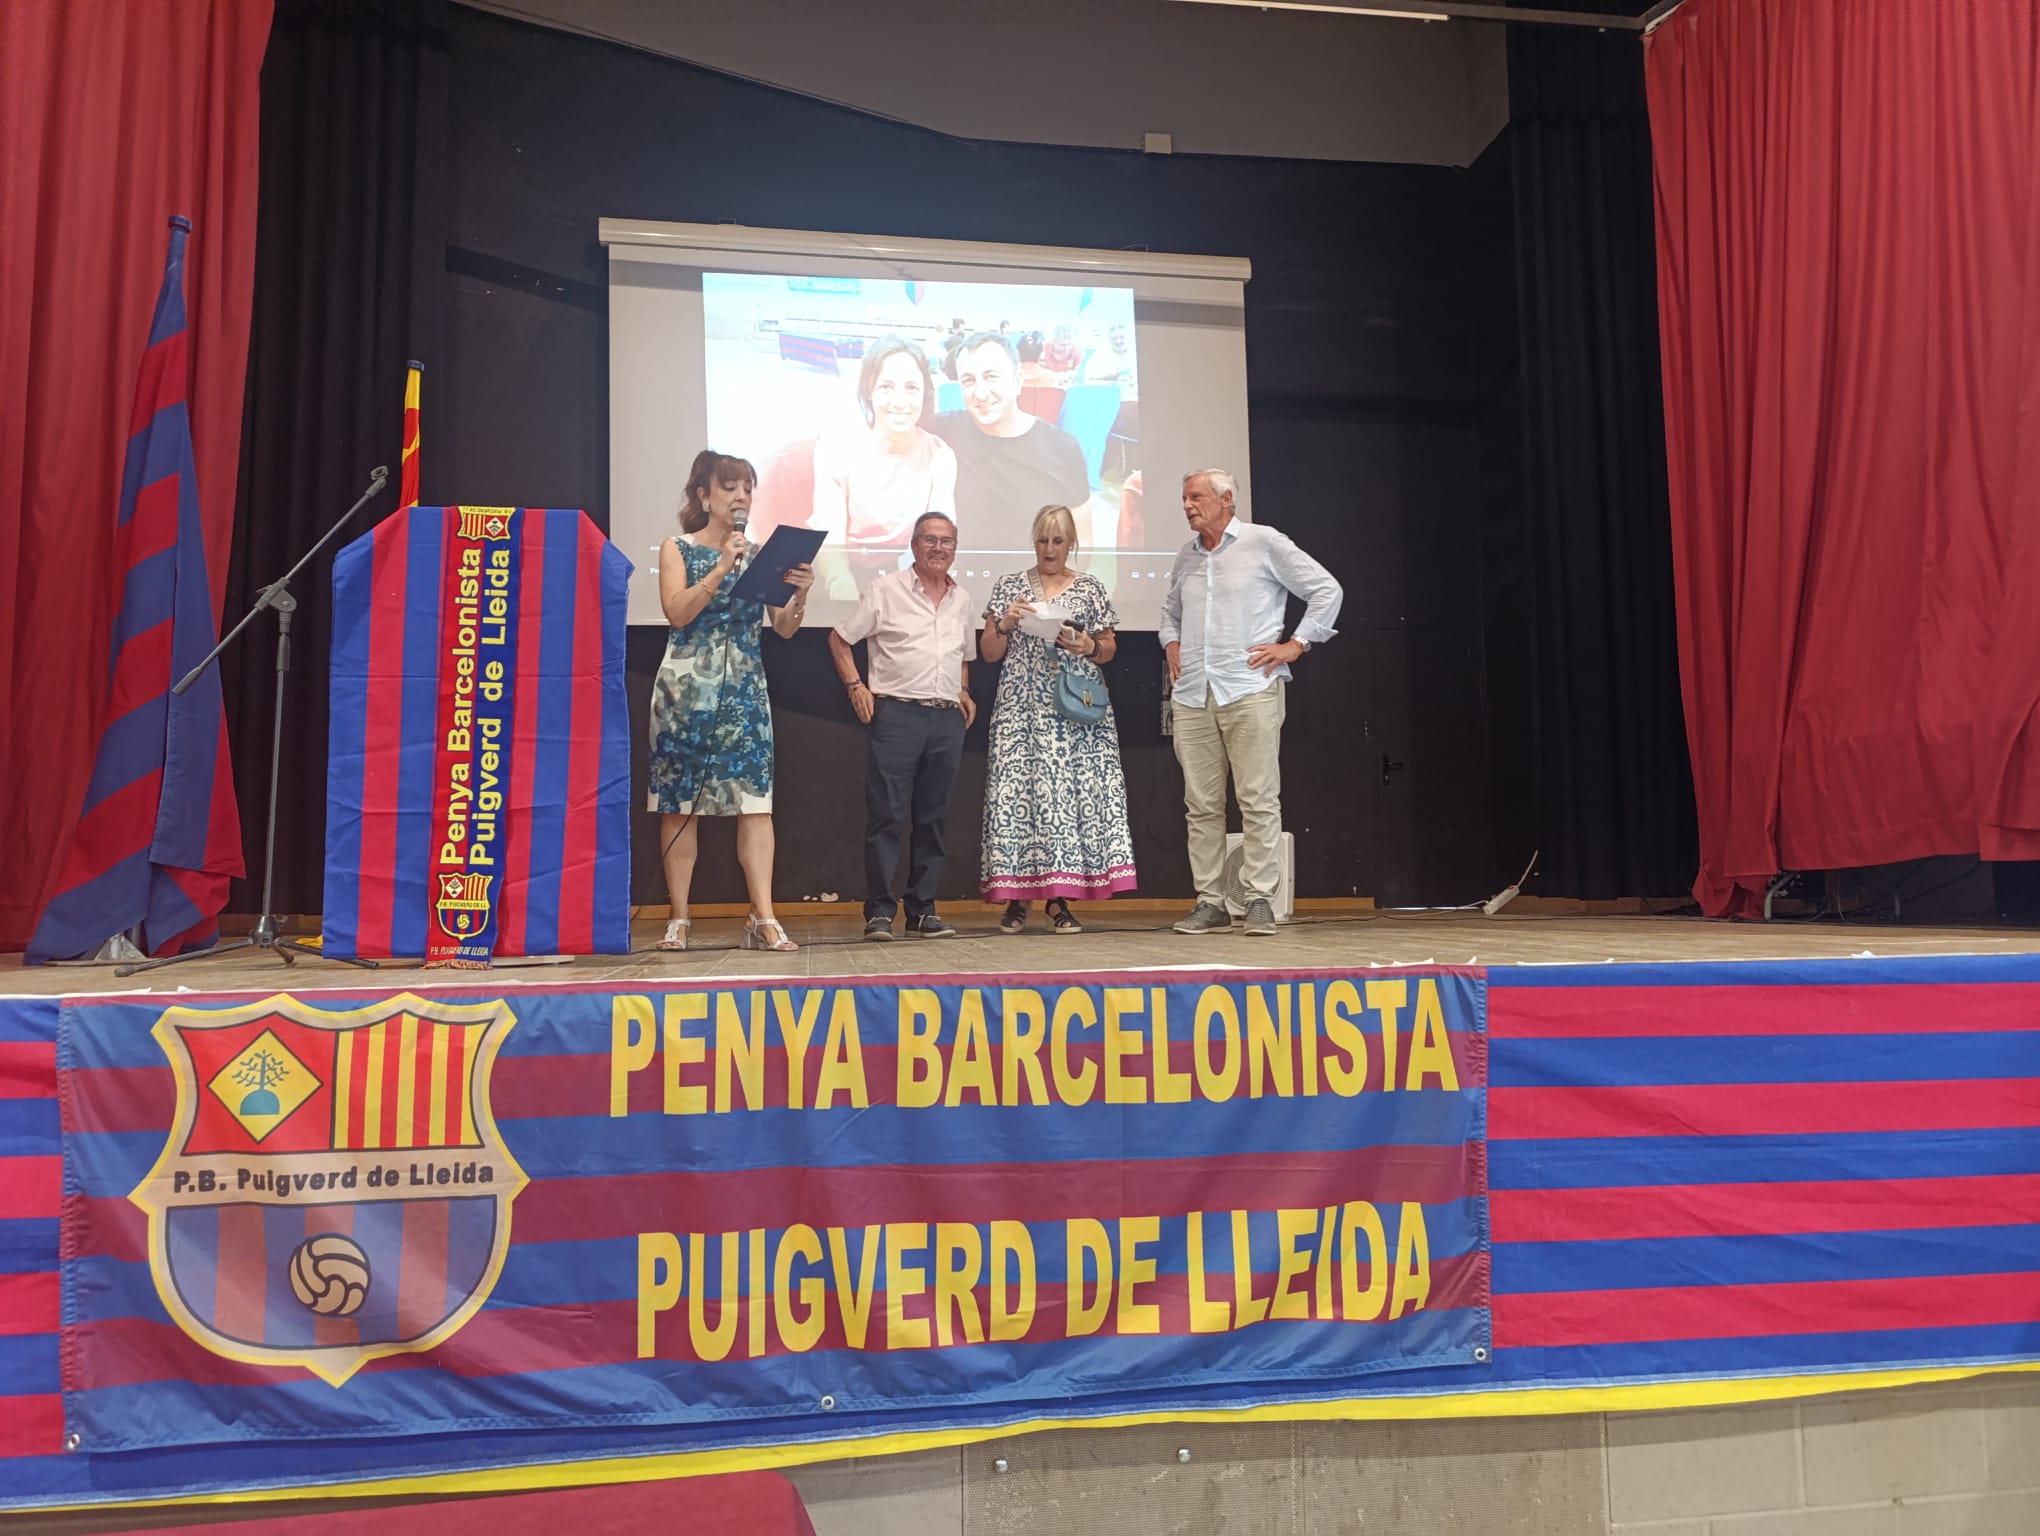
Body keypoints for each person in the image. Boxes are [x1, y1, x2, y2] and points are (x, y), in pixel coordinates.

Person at [1159, 468, 1343, 937]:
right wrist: (1171, 641)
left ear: (1227, 500)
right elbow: (1170, 611)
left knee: (1257, 798)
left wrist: (1296, 644)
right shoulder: (1186, 555)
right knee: (1200, 804)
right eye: (1184, 498)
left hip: (1249, 688)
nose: (1187, 505)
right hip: (1194, 693)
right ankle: (1210, 901)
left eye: (1196, 497)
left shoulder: (1264, 542)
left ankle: (1259, 897)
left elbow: (1326, 590)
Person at [647, 450, 816, 953]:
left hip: (745, 692)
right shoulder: (677, 548)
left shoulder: (763, 555)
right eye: (729, 487)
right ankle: (679, 916)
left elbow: (783, 628)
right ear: (704, 495)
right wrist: (722, 567)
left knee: (755, 804)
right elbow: (677, 613)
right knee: (680, 805)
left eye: (747, 488)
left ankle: (763, 916)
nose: (741, 497)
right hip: (683, 694)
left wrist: (800, 595)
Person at [979, 504, 1136, 934]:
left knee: (1067, 797)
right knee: (1018, 793)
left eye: (1058, 541)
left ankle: (1058, 898)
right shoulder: (1010, 585)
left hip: (1074, 707)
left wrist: (1088, 646)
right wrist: (1006, 623)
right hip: (1020, 706)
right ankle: (1016, 897)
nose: (1049, 549)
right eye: (1042, 540)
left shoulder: (1089, 588)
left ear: (1071, 543)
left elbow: (1108, 647)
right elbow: (989, 653)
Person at [830, 511, 980, 939]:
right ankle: (879, 912)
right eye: (930, 540)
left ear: (955, 549)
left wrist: (964, 690)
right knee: (888, 816)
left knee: (933, 818)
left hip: (946, 718)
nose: (938, 548)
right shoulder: (886, 590)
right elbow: (839, 638)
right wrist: (855, 686)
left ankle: (922, 910)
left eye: (946, 541)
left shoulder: (963, 600)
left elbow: (964, 656)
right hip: (897, 715)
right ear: (913, 545)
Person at [811, 336, 957, 595]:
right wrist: (841, 585)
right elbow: (829, 537)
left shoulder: (939, 455)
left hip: (907, 577)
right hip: (842, 573)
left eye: (911, 387)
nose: (900, 401)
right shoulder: (834, 449)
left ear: (924, 393)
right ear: (869, 390)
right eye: (886, 386)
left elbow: (938, 542)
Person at [929, 332, 1095, 553]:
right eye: (968, 380)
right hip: (962, 574)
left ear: (1017, 380)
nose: (980, 393)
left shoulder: (1062, 448)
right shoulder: (945, 431)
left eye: (991, 376)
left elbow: (1082, 540)